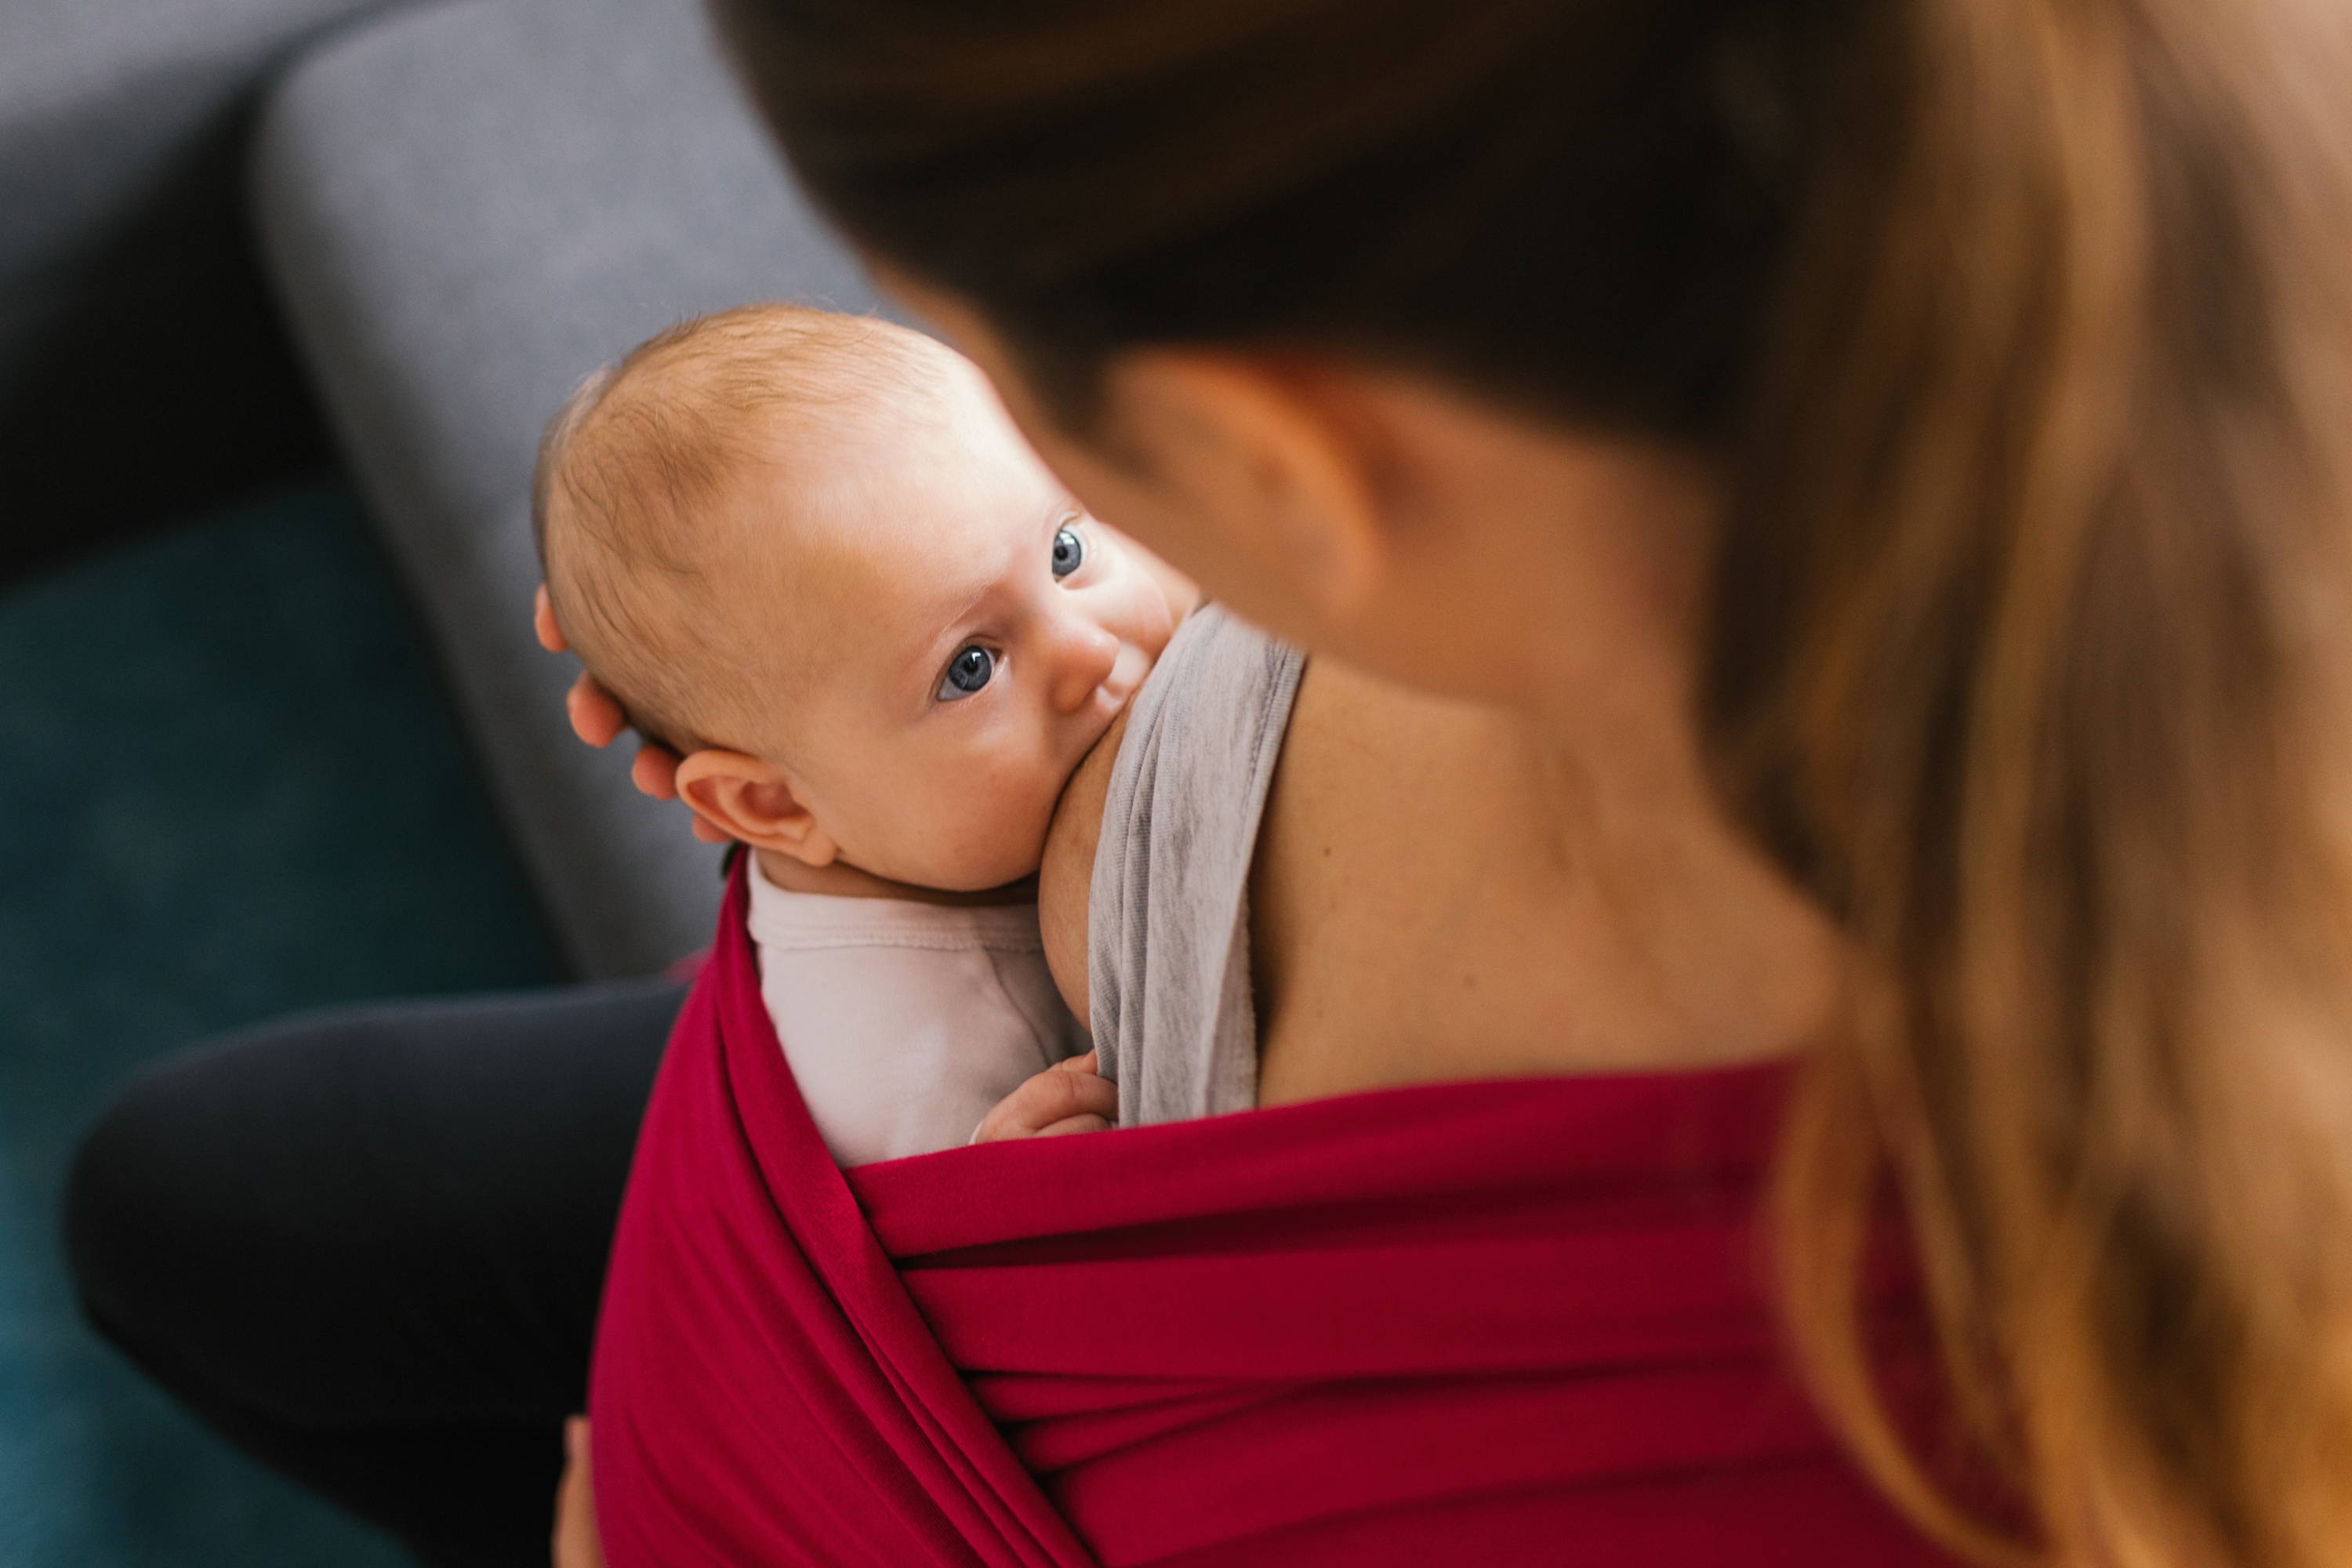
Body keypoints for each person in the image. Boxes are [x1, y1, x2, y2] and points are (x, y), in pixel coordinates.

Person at [67, 0, 2352, 1564]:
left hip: (914, 1342)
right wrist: (843, 740)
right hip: (862, 1114)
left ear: (1281, 457)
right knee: (202, 1199)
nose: (1074, 618)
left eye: (1051, 468)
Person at [532, 301, 1200, 1160]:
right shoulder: (920, 1081)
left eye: (1065, 553)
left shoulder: (888, 804)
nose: (1085, 646)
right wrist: (1001, 1183)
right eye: (970, 666)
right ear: (770, 803)